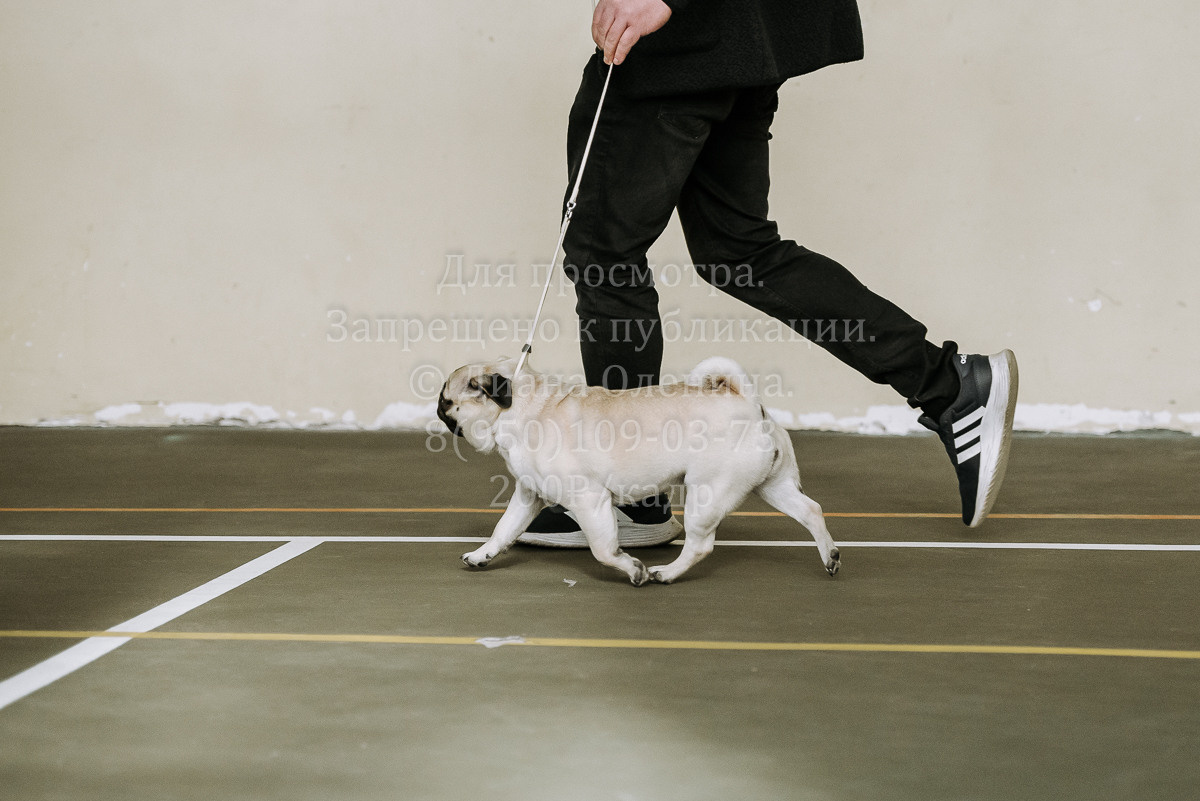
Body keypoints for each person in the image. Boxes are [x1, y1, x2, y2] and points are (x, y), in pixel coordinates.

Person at [518, 0, 1018, 547]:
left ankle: (631, 495)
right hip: (742, 37)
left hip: (682, 41)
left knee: (604, 258)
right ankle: (949, 385)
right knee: (739, 252)